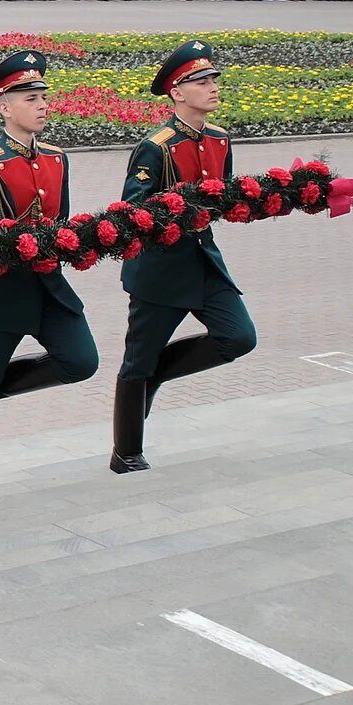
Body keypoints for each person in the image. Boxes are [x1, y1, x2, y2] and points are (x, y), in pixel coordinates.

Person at [0, 51, 98, 502]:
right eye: (31, 98)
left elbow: (61, 221)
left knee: (80, 361)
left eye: (44, 97)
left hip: (49, 287)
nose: (43, 105)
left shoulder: (56, 158)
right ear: (5, 107)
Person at [111, 40, 257, 472]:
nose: (213, 87)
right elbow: (132, 210)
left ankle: (159, 375)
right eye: (202, 81)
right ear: (177, 92)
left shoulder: (220, 139)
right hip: (159, 270)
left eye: (214, 80)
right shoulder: (156, 146)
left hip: (203, 263)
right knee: (137, 362)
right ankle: (127, 452)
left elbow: (225, 198)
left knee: (238, 337)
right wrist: (176, 209)